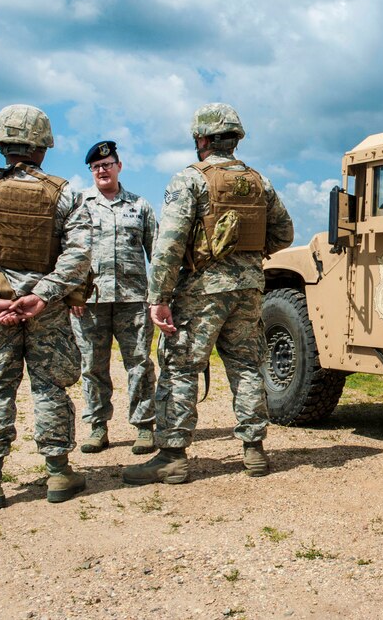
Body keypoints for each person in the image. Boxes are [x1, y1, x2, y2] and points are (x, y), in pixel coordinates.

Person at [122, 103, 294, 485]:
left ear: (201, 139)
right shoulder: (259, 181)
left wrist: (159, 297)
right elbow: (285, 234)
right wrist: (248, 257)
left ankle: (172, 456)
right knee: (247, 365)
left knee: (182, 367)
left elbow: (168, 245)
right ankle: (254, 451)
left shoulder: (190, 180)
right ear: (234, 139)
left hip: (202, 290)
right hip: (249, 288)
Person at [0, 104, 92, 509]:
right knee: (51, 387)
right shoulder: (66, 194)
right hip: (48, 311)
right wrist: (43, 295)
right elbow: (78, 257)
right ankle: (59, 473)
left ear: (2, 145)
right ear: (43, 148)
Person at [71, 141, 158, 455]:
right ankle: (97, 427)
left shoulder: (140, 206)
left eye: (107, 164)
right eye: (96, 167)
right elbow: (67, 252)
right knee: (92, 367)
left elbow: (157, 253)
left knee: (139, 365)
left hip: (134, 301)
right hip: (88, 303)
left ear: (119, 166)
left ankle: (144, 426)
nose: (101, 170)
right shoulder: (78, 204)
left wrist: (159, 296)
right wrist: (71, 292)